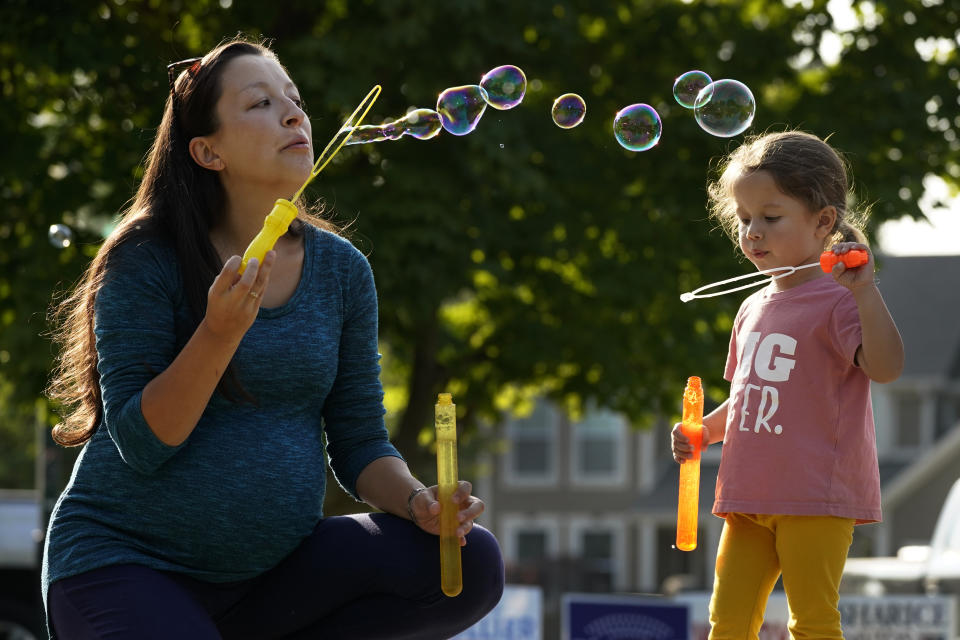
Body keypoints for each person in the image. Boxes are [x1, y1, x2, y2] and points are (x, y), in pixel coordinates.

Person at [43, 36, 504, 639]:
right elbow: (142, 443)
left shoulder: (342, 270)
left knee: (472, 564)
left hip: (272, 579)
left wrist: (419, 502)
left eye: (294, 99)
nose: (293, 114)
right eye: (260, 103)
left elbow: (361, 444)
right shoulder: (144, 258)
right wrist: (217, 333)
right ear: (208, 152)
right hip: (124, 564)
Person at [671, 130, 904, 639]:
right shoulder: (751, 307)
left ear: (823, 222)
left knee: (812, 622)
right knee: (728, 622)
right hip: (748, 496)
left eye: (770, 218)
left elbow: (886, 367)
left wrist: (865, 293)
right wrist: (703, 432)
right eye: (744, 219)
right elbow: (752, 397)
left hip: (815, 497)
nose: (753, 232)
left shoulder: (841, 301)